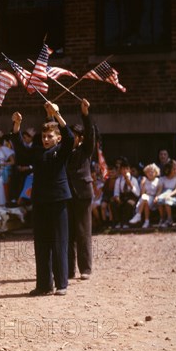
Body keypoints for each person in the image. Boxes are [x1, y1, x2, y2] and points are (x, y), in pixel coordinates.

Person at [11, 101, 74, 297]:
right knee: (42, 243)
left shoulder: (62, 150)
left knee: (59, 242)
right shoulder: (37, 152)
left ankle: (61, 283)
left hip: (58, 200)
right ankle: (44, 285)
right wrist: (16, 126)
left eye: (50, 136)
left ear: (57, 138)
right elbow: (21, 150)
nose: (46, 139)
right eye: (44, 136)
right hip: (39, 201)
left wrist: (57, 115)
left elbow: (70, 138)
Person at [66, 99, 96, 281]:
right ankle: (68, 270)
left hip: (82, 194)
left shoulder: (85, 149)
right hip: (66, 194)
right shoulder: (62, 151)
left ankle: (85, 268)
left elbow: (91, 133)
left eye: (74, 135)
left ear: (80, 138)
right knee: (67, 233)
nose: (71, 138)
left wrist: (85, 114)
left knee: (83, 232)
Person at [129, 163, 161, 228]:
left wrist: (156, 198)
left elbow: (158, 192)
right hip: (145, 198)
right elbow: (142, 194)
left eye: (152, 172)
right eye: (148, 172)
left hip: (153, 198)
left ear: (156, 173)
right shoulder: (144, 180)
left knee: (145, 199)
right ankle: (146, 222)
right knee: (145, 199)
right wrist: (142, 184)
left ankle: (138, 216)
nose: (150, 173)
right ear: (146, 173)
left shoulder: (158, 181)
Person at [110, 158, 139, 229]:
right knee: (113, 203)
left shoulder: (134, 179)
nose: (125, 171)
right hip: (122, 197)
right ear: (120, 170)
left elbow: (138, 193)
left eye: (127, 169)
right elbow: (116, 192)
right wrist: (117, 198)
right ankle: (118, 222)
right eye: (123, 169)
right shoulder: (118, 180)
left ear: (129, 170)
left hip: (132, 197)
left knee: (129, 203)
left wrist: (130, 185)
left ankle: (126, 222)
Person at [155, 159, 176, 227]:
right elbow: (160, 190)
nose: (175, 171)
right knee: (158, 200)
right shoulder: (162, 179)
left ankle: (169, 219)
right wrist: (156, 196)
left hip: (174, 197)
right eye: (174, 169)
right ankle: (162, 218)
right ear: (169, 169)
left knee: (167, 201)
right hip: (164, 196)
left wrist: (169, 195)